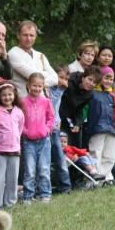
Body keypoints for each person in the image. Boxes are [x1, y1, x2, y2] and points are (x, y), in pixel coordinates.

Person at [86, 66, 115, 184]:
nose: (108, 81)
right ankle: (95, 178)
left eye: (111, 79)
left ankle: (106, 178)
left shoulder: (112, 97)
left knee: (109, 155)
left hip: (111, 130)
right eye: (106, 77)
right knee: (96, 153)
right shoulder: (91, 94)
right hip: (96, 128)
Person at [20, 72, 55, 203]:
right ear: (28, 85)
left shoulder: (46, 101)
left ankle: (45, 194)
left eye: (40, 86)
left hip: (44, 141)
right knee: (29, 170)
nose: (37, 89)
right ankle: (28, 196)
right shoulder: (22, 102)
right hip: (28, 141)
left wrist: (47, 129)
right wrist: (25, 131)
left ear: (43, 87)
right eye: (34, 86)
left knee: (44, 169)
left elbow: (51, 118)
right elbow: (19, 120)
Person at [0, 82, 23, 209]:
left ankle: (10, 202)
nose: (7, 97)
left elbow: (20, 129)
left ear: (14, 95)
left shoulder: (19, 112)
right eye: (4, 95)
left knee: (12, 178)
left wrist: (15, 141)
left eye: (10, 94)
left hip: (15, 150)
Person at [8, 20, 58, 98]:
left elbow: (55, 79)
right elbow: (32, 75)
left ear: (35, 37)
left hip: (41, 102)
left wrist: (37, 82)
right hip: (22, 101)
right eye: (25, 35)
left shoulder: (40, 55)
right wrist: (46, 74)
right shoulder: (13, 53)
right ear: (18, 35)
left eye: (31, 35)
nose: (28, 38)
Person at [61, 66, 101, 148]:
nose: (91, 83)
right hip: (56, 113)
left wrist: (78, 123)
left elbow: (79, 109)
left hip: (67, 118)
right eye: (89, 79)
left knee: (73, 140)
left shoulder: (89, 94)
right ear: (83, 77)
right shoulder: (70, 80)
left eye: (94, 82)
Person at [48, 65, 72, 194]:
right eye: (60, 77)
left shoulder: (60, 89)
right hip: (46, 126)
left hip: (55, 125)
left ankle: (65, 186)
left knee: (59, 156)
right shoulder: (48, 89)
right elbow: (50, 104)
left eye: (65, 78)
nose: (63, 81)